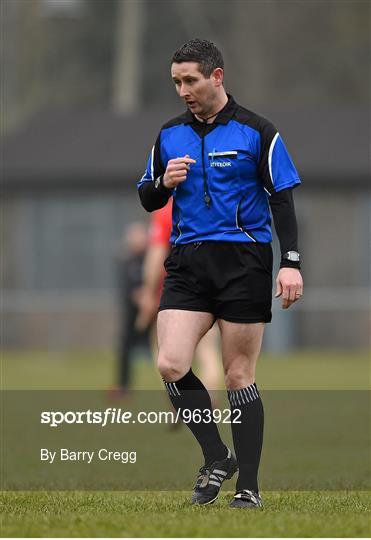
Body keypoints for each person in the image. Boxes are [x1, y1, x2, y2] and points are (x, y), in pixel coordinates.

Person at [137, 39, 303, 509]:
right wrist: (162, 183)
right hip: (188, 262)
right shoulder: (169, 135)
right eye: (176, 82)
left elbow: (283, 201)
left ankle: (248, 487)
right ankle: (216, 455)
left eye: (190, 80)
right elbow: (148, 198)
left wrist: (290, 261)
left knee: (237, 376)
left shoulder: (258, 131)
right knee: (170, 363)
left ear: (217, 76)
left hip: (243, 263)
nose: (183, 90)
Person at [136, 200, 221, 399]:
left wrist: (148, 293)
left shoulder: (166, 212)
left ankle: (180, 402)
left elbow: (156, 256)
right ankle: (210, 397)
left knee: (164, 353)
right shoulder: (209, 206)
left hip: (175, 293)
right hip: (211, 286)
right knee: (208, 351)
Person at [113, 222, 149, 397]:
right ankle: (123, 386)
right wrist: (137, 296)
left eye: (140, 236)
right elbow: (126, 288)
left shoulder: (152, 257)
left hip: (153, 311)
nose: (137, 240)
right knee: (125, 347)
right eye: (133, 236)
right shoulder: (126, 260)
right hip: (132, 314)